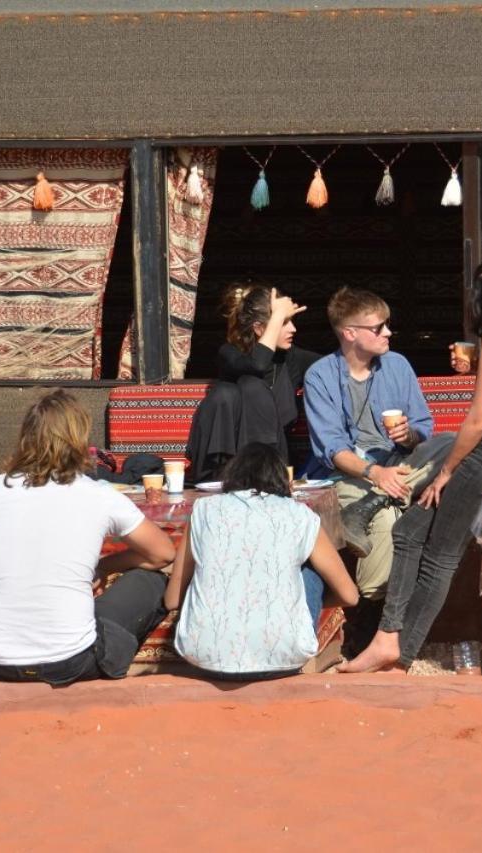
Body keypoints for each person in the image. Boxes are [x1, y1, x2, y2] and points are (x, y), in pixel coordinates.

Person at [339, 262, 482, 673]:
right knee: (408, 531)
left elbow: (477, 422)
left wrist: (446, 472)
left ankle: (399, 651)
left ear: (480, 300)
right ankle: (387, 638)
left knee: (440, 555)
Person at [0, 389, 176, 687]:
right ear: (79, 439)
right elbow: (163, 553)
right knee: (152, 579)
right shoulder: (97, 494)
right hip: (73, 663)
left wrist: (15, 554)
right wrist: (106, 565)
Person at [302, 287, 454, 653]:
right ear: (349, 332)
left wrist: (409, 435)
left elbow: (425, 430)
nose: (387, 333)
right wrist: (375, 475)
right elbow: (333, 450)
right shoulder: (320, 376)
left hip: (401, 468)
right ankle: (371, 626)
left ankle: (373, 506)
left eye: (387, 326)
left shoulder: (398, 365)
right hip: (350, 478)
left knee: (450, 442)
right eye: (378, 327)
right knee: (389, 522)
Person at [165, 442, 358, 679]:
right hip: (284, 661)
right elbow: (349, 595)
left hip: (203, 658)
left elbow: (172, 599)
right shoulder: (299, 514)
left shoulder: (203, 510)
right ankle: (290, 637)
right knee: (311, 569)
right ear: (284, 481)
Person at [185, 284, 321, 483]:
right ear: (258, 328)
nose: (293, 329)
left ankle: (257, 476)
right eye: (285, 322)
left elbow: (337, 365)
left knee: (253, 386)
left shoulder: (292, 359)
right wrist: (276, 316)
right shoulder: (229, 354)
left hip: (272, 464)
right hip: (223, 466)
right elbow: (257, 365)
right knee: (235, 389)